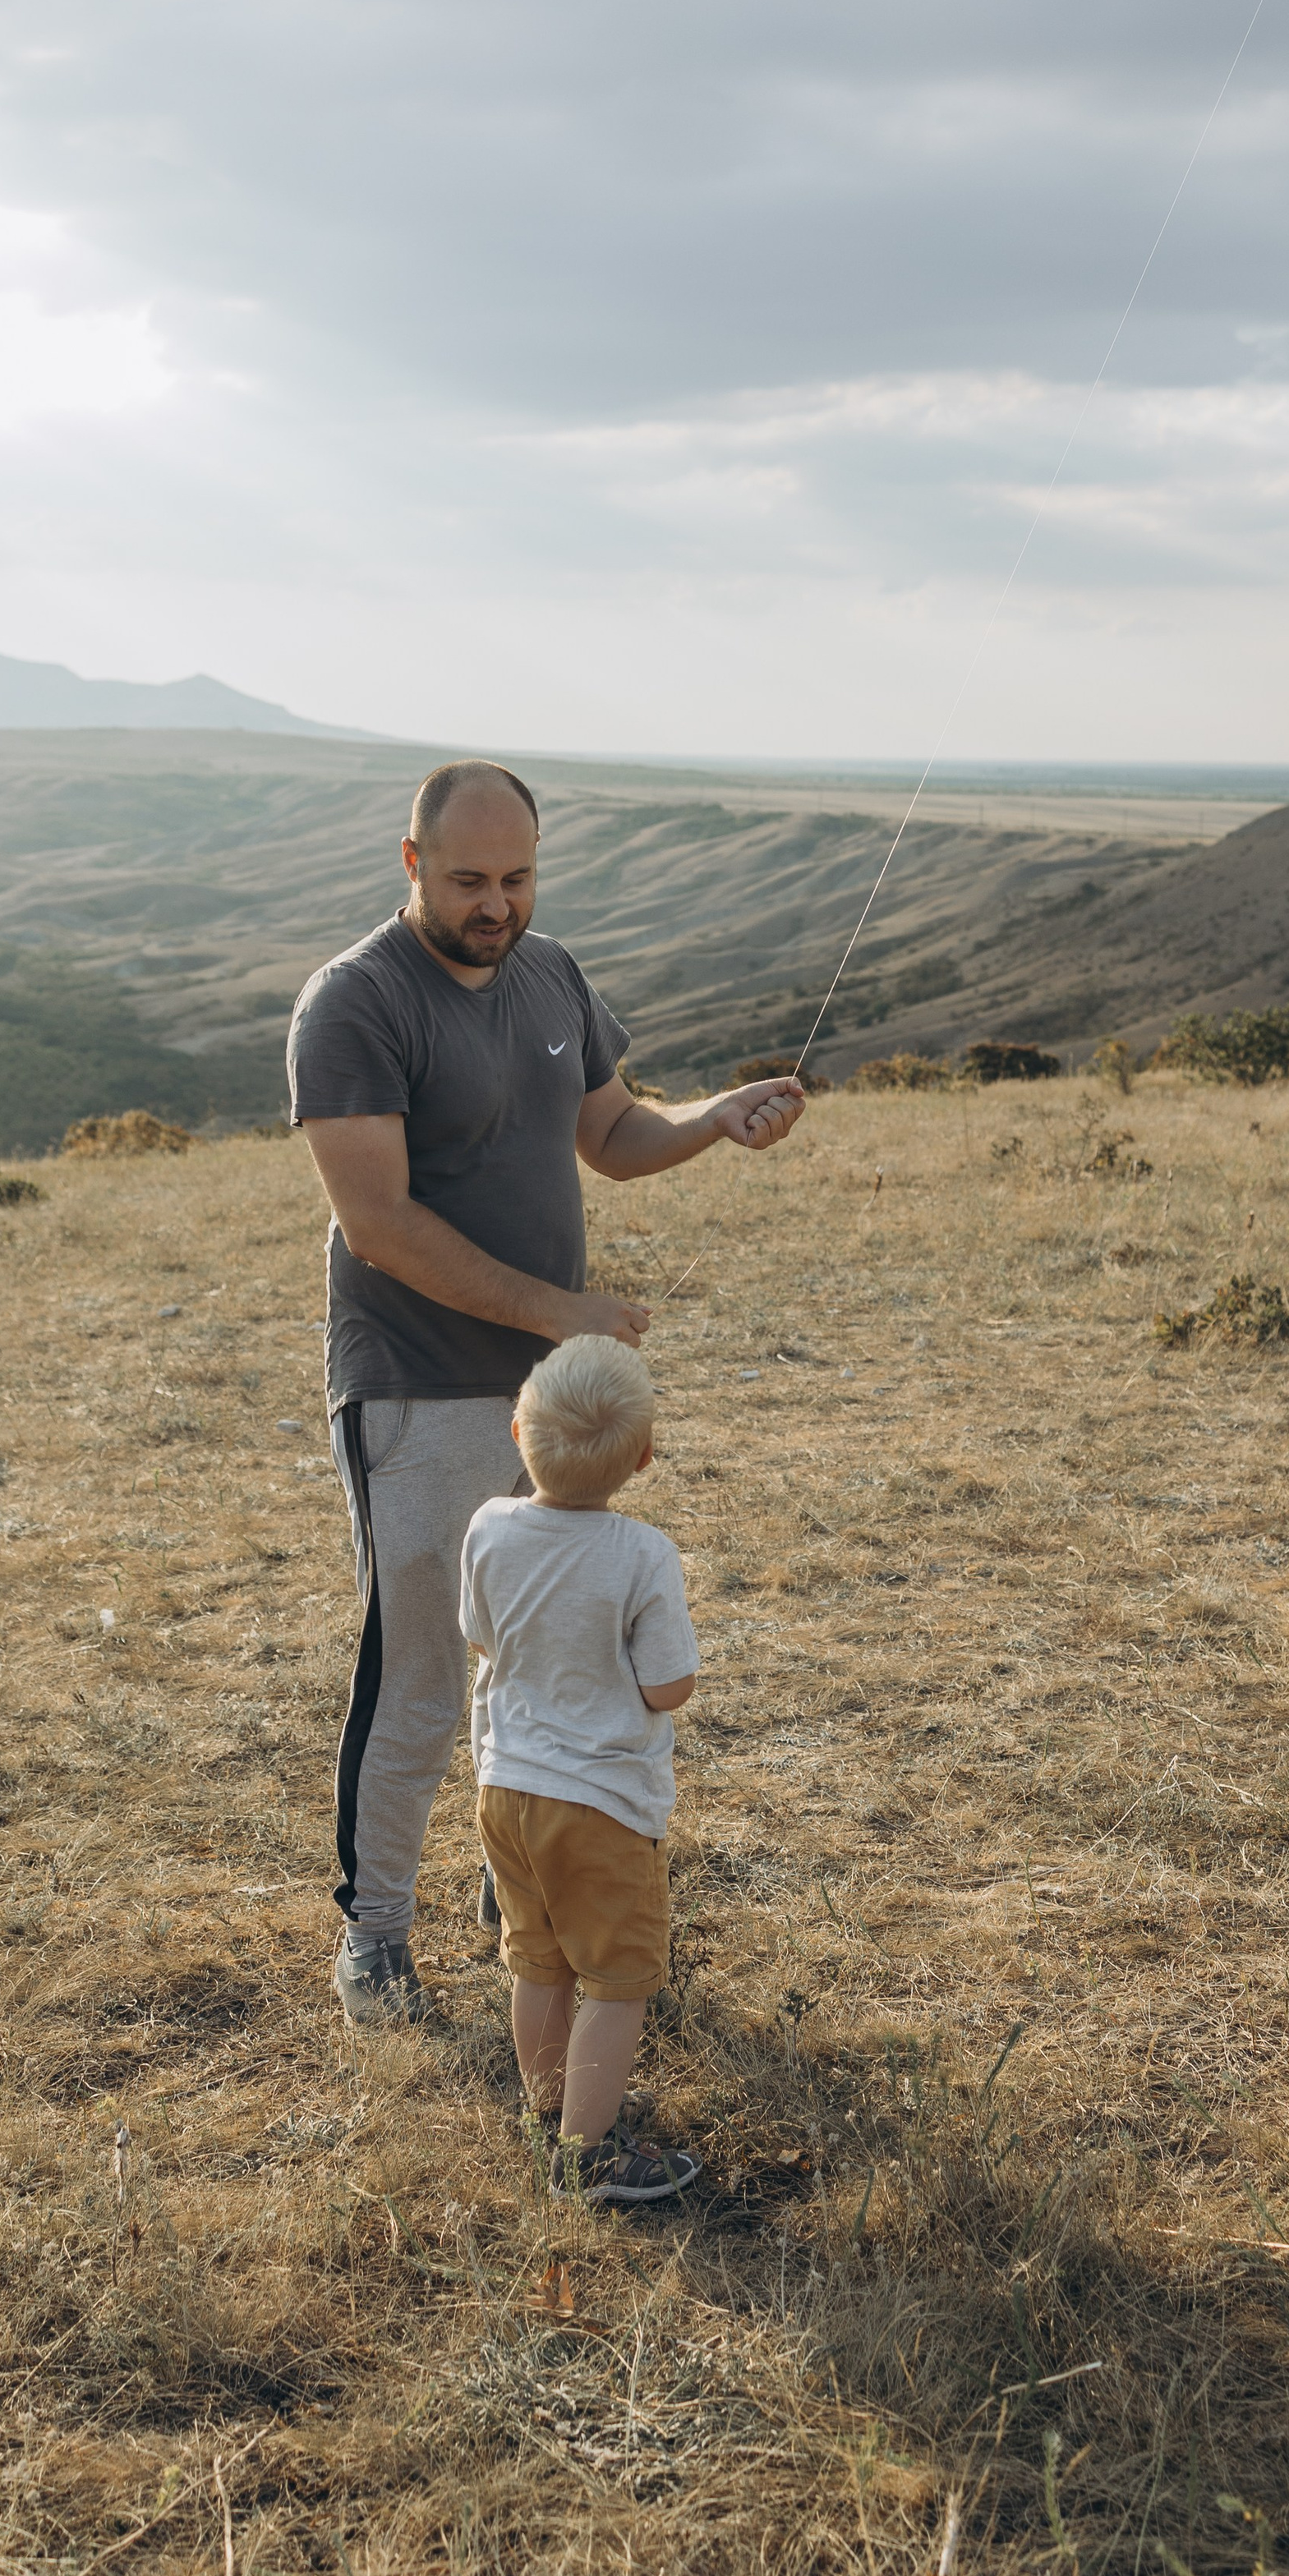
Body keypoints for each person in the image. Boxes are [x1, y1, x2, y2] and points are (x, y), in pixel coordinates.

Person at [288, 757, 804, 2025]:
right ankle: (375, 1936)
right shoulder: (353, 1003)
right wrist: (559, 1312)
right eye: (469, 880)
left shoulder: (552, 973)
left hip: (542, 1392)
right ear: (413, 863)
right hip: (415, 1388)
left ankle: (513, 1879)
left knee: (540, 1652)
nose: (497, 905)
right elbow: (379, 1226)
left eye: (518, 878)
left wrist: (714, 1118)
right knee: (419, 1672)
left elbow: (610, 1136)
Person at [463, 1336, 700, 2201]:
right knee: (616, 1981)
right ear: (643, 1457)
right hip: (601, 1806)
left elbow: (480, 1634)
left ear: (516, 1430)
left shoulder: (488, 1525)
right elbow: (667, 1687)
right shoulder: (643, 1555)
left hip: (506, 1789)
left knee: (538, 1962)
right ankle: (586, 2157)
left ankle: (548, 2115)